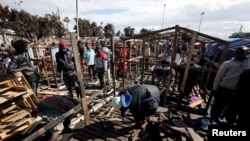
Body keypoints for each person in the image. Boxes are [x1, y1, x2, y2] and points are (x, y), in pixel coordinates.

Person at [210, 46, 250, 123]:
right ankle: (213, 118)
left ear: (247, 53)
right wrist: (215, 88)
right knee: (219, 105)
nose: (239, 54)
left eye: (242, 53)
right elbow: (219, 76)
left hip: (239, 90)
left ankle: (229, 121)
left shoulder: (248, 63)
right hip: (225, 88)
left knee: (233, 108)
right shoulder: (228, 63)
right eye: (237, 52)